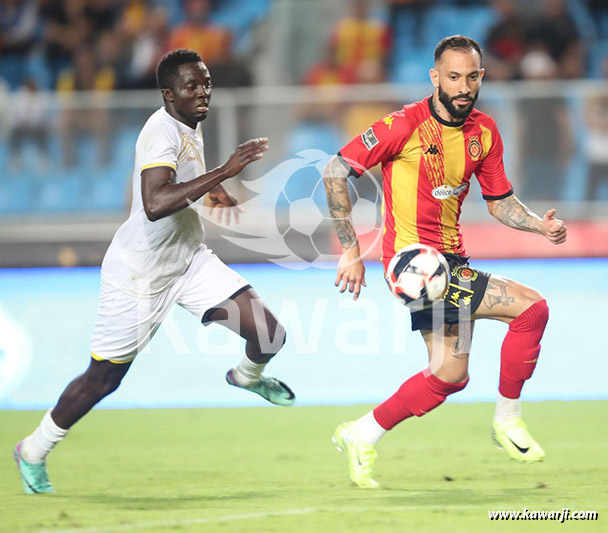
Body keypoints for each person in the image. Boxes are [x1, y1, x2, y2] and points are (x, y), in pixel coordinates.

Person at [13, 48, 294, 495]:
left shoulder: (187, 125)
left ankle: (246, 376)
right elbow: (155, 202)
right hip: (139, 276)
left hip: (186, 261)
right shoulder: (159, 131)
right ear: (168, 94)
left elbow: (180, 180)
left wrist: (212, 189)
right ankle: (34, 448)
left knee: (269, 334)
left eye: (206, 84)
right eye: (191, 86)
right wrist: (227, 169)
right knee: (103, 379)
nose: (202, 93)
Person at [323, 35, 567, 489]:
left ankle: (361, 433)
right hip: (417, 266)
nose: (463, 87)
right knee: (532, 309)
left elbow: (500, 201)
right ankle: (508, 420)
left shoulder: (484, 132)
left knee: (450, 375)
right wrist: (351, 248)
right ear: (435, 77)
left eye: (472, 77)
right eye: (453, 77)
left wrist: (539, 226)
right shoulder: (403, 125)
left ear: (481, 77)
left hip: (449, 260)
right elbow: (337, 169)